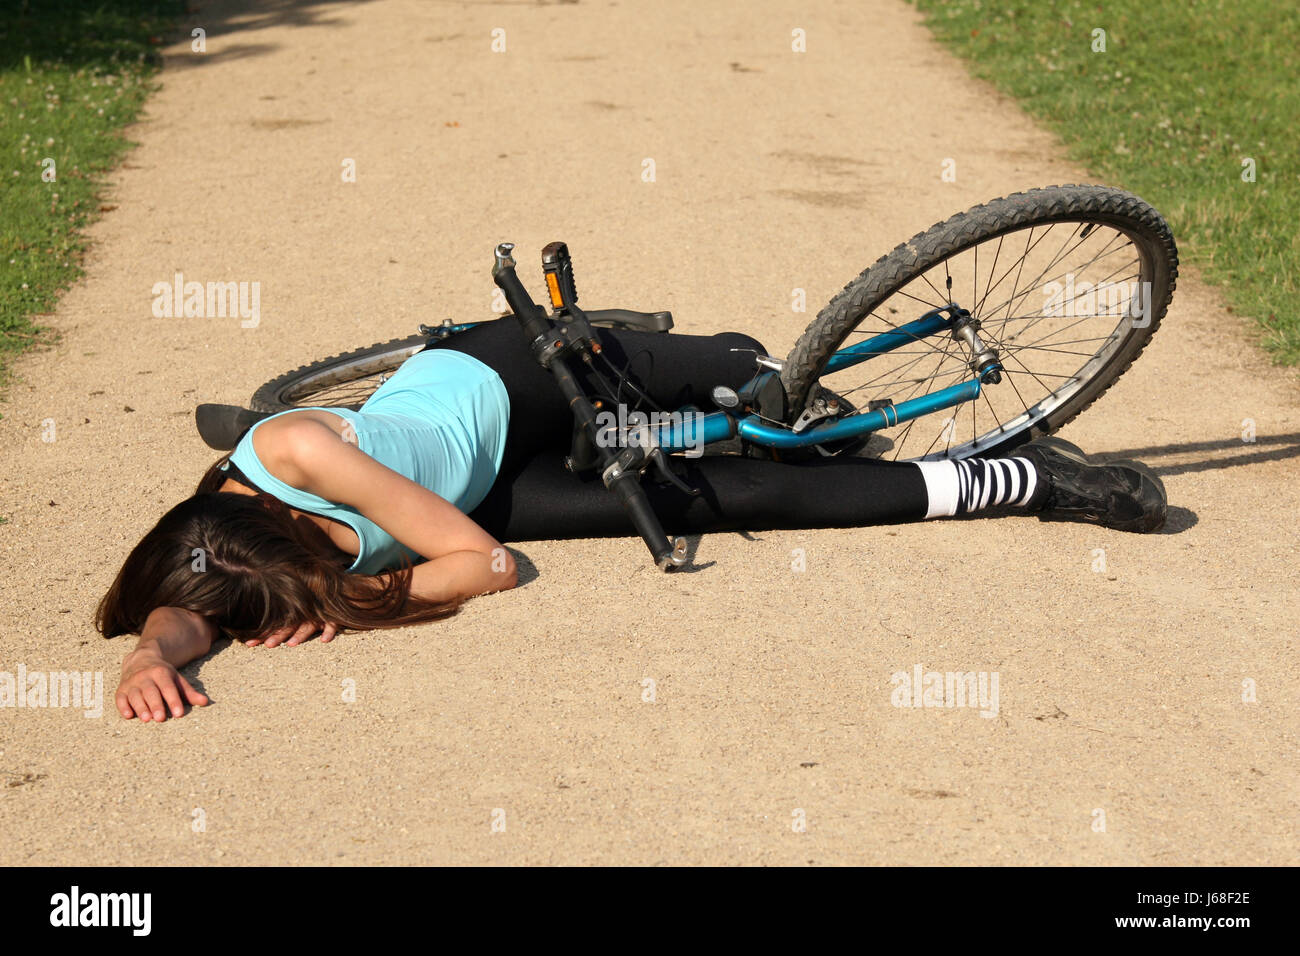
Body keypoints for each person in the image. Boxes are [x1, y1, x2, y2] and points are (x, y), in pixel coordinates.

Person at [96, 321, 1166, 722]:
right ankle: (1021, 476)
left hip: (502, 384)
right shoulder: (210, 552)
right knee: (744, 499)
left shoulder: (299, 456)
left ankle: (710, 357)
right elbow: (188, 606)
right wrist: (154, 649)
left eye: (262, 606)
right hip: (466, 490)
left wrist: (351, 593)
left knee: (753, 395)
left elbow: (480, 565)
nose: (244, 627)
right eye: (243, 619)